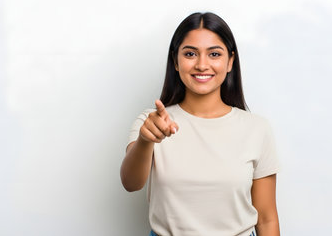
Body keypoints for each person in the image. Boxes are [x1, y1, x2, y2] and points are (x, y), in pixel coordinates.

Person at [120, 12, 281, 236]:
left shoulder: (257, 129)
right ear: (175, 61)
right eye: (190, 54)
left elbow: (266, 219)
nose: (202, 65)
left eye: (214, 54)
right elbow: (130, 183)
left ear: (230, 62)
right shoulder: (152, 123)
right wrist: (146, 140)